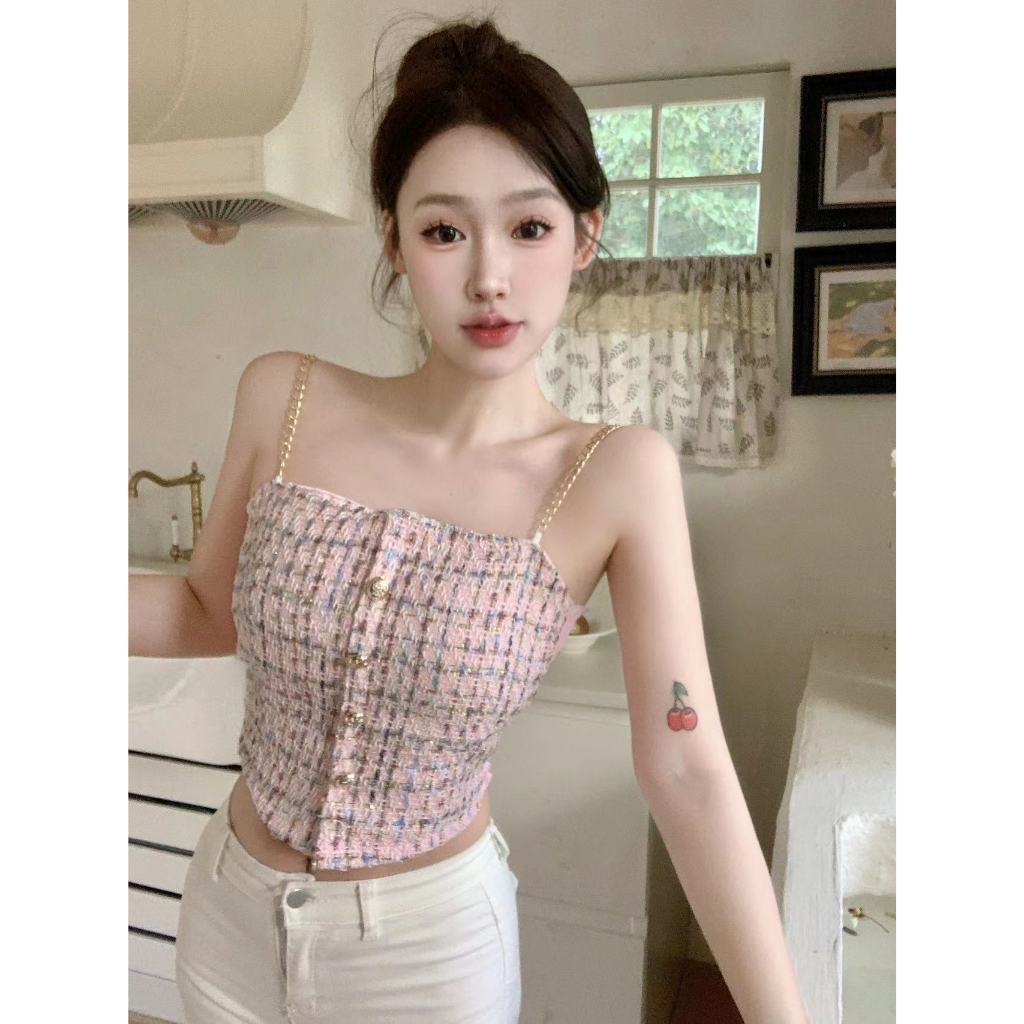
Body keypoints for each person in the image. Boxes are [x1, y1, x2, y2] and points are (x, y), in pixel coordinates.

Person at [129, 12, 810, 1024]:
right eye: (444, 230)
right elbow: (201, 609)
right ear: (394, 241)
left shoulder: (615, 474)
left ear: (583, 236)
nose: (489, 276)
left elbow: (687, 764)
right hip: (230, 920)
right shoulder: (285, 397)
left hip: (426, 958)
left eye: (529, 227)